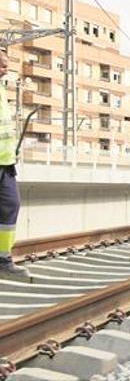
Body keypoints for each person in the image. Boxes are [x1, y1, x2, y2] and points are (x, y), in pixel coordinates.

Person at [0, 52, 28, 281]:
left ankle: (3, 259)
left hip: (6, 163)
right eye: (0, 65)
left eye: (6, 66)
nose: (4, 70)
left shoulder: (1, 90)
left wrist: (12, 151)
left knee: (11, 205)